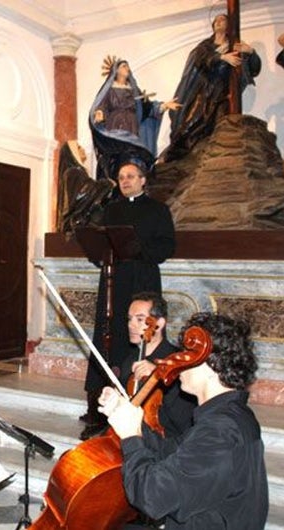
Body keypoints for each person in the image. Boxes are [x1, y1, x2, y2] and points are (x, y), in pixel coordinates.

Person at [98, 312, 269, 529]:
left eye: (186, 353)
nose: (177, 361)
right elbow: (172, 452)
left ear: (210, 365)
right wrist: (132, 423)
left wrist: (132, 437)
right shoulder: (229, 415)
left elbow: (151, 498)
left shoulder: (221, 430)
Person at [81, 161, 175, 440]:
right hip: (114, 280)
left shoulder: (159, 210)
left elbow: (167, 245)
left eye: (131, 176)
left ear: (144, 180)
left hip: (142, 280)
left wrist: (137, 247)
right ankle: (98, 408)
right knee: (107, 337)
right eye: (121, 177)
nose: (125, 181)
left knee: (140, 335)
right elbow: (96, 245)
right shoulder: (109, 210)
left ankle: (140, 402)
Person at [160, 14, 261, 163]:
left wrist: (251, 52)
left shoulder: (236, 45)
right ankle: (172, 158)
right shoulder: (206, 46)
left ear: (229, 25)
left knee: (220, 127)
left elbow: (254, 70)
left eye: (223, 19)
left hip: (223, 96)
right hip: (203, 94)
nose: (219, 22)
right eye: (216, 20)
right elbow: (200, 58)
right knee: (188, 126)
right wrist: (221, 57)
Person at [118, 292, 196, 440]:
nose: (131, 325)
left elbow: (185, 418)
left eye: (140, 319)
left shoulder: (177, 362)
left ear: (159, 324)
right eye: (129, 319)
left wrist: (161, 375)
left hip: (164, 442)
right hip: (132, 435)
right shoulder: (130, 359)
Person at [90, 58, 179, 181]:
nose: (127, 69)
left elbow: (146, 108)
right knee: (119, 155)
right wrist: (99, 113)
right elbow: (102, 105)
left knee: (132, 155)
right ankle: (117, 180)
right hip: (116, 127)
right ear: (116, 71)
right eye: (124, 66)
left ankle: (133, 179)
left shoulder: (134, 91)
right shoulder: (109, 90)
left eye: (127, 66)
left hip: (132, 128)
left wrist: (164, 106)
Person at [56, 140, 115, 233]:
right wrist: (105, 184)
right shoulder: (74, 172)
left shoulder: (76, 172)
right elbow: (83, 193)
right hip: (75, 223)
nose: (83, 149)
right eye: (79, 148)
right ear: (72, 153)